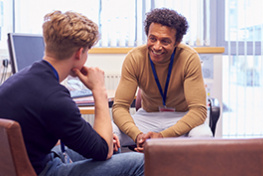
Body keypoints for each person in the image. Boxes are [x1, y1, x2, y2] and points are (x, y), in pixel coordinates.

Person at [0, 11, 144, 176]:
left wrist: (102, 142)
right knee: (142, 162)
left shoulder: (21, 77)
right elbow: (103, 151)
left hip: (30, 163)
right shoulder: (55, 98)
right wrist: (99, 90)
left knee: (113, 146)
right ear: (79, 53)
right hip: (43, 171)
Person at [112, 8, 212, 152]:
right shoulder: (134, 58)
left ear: (177, 41)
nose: (157, 46)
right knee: (110, 131)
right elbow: (120, 107)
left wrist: (163, 136)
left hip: (182, 117)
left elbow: (198, 111)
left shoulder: (189, 58)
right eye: (152, 39)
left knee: (204, 136)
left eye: (165, 41)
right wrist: (137, 135)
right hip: (147, 118)